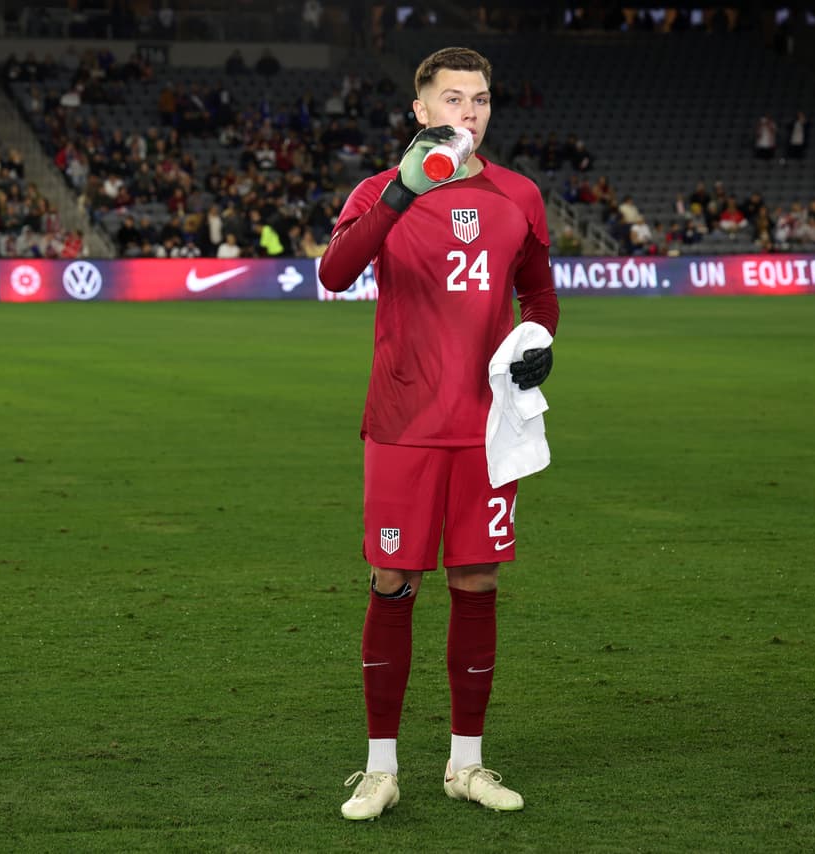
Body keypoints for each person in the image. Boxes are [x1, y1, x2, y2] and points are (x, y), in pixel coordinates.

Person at [319, 46, 559, 821]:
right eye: (452, 99)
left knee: (478, 583)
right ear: (421, 111)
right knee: (394, 583)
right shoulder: (379, 192)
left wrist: (538, 345)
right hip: (403, 425)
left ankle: (467, 763)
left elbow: (540, 295)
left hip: (487, 429)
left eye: (480, 99)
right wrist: (400, 191)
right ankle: (380, 768)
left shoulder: (518, 193)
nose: (469, 112)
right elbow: (335, 271)